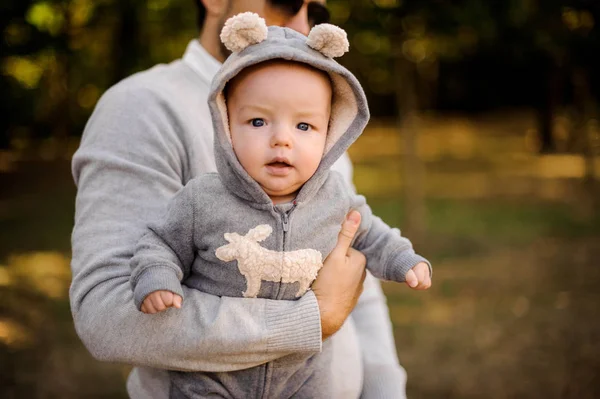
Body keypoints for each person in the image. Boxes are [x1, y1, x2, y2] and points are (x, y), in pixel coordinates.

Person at [70, 1, 431, 398]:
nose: (301, 23)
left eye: (317, 10)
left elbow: (352, 276)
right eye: (287, 1)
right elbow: (108, 313)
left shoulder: (315, 105)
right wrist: (313, 319)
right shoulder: (144, 107)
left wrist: (384, 390)